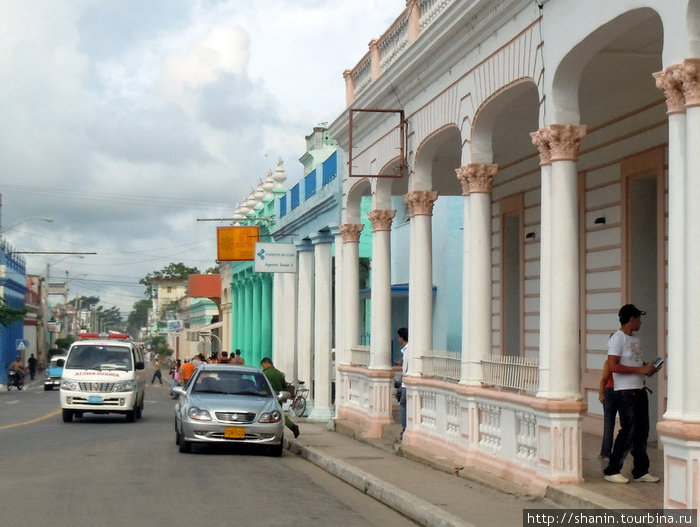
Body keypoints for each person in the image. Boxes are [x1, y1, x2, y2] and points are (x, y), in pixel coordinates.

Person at [603, 304, 661, 484]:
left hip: (640, 390)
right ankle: (612, 470)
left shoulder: (635, 340)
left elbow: (636, 363)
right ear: (631, 319)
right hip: (625, 392)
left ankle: (641, 471)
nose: (641, 322)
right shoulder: (617, 339)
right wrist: (640, 368)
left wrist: (647, 367)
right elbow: (613, 366)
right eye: (639, 319)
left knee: (642, 431)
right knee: (628, 431)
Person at [260, 357, 299, 438]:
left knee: (270, 415)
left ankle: (291, 426)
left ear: (266, 364)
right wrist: (284, 397)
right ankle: (292, 427)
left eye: (263, 366)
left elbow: (261, 386)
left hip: (268, 397)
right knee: (278, 413)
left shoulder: (265, 373)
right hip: (279, 397)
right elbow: (285, 387)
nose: (263, 367)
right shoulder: (279, 374)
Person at [599, 356, 618, 459]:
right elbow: (604, 379)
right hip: (611, 392)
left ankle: (606, 453)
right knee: (609, 424)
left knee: (627, 424)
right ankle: (605, 452)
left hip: (619, 392)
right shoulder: (609, 363)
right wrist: (601, 393)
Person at [397, 327, 409, 438]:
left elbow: (405, 369)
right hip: (406, 383)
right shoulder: (407, 350)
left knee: (403, 406)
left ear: (401, 338)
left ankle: (405, 428)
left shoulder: (407, 351)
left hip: (406, 384)